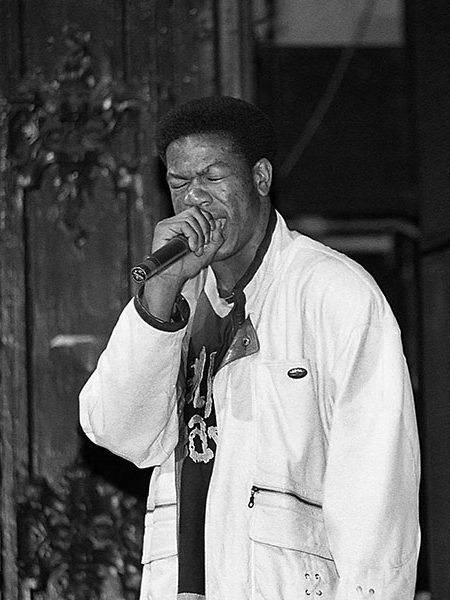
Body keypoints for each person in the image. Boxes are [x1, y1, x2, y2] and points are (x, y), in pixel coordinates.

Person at [79, 95, 421, 600]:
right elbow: (116, 431)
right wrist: (157, 302)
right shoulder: (176, 298)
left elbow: (377, 494)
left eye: (213, 178)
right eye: (179, 184)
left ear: (260, 178)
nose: (195, 199)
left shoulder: (334, 293)